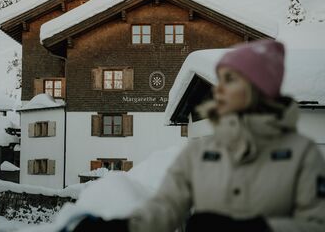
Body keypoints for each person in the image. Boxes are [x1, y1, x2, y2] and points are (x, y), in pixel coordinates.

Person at [71, 40, 325, 232]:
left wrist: (257, 228)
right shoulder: (200, 153)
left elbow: (316, 222)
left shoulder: (301, 155)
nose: (220, 88)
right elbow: (167, 208)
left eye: (231, 80)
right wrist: (122, 227)